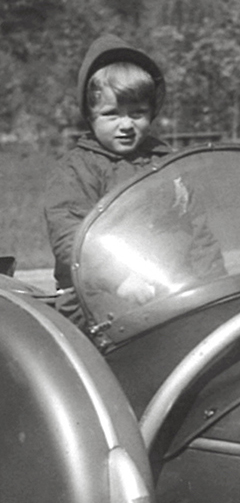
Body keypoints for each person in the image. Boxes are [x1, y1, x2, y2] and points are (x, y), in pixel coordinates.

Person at [44, 35, 175, 312]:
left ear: (152, 112)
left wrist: (215, 279)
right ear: (90, 116)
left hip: (167, 289)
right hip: (93, 295)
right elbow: (71, 237)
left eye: (137, 113)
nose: (126, 124)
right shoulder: (77, 169)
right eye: (112, 114)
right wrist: (120, 279)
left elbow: (195, 229)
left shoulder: (166, 163)